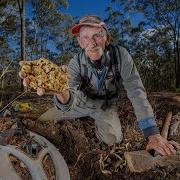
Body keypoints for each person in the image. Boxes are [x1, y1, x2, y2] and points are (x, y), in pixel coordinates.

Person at [19, 15, 179, 156]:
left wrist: (152, 133)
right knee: (42, 122)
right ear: (80, 42)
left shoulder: (121, 55)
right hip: (80, 102)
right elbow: (70, 93)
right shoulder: (76, 62)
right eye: (86, 37)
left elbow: (136, 91)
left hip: (105, 106)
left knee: (113, 139)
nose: (92, 42)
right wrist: (61, 93)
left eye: (98, 35)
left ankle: (95, 123)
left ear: (107, 38)